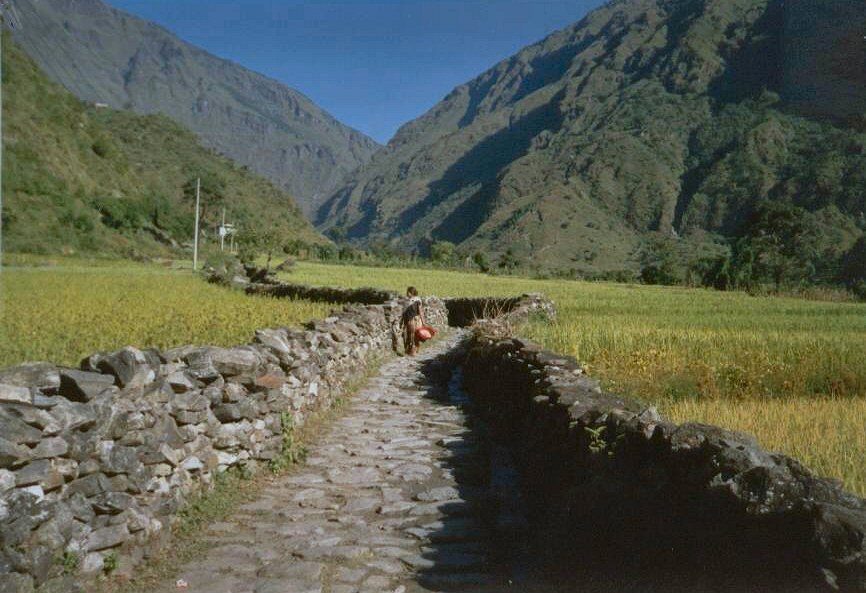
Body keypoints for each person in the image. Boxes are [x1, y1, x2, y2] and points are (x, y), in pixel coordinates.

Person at [401, 286, 426, 356]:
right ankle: (411, 349)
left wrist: (423, 322)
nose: (406, 293)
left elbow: (420, 311)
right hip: (409, 320)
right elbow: (404, 312)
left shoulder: (417, 300)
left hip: (415, 319)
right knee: (410, 334)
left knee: (413, 335)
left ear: (411, 292)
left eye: (407, 292)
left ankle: (413, 350)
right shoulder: (408, 301)